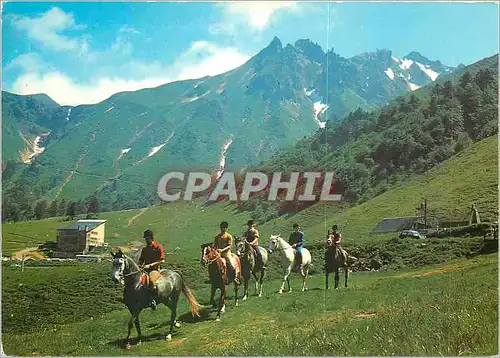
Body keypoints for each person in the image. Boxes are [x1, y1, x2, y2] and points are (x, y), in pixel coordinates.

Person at [138, 229, 165, 310]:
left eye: (147, 238)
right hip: (145, 269)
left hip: (155, 269)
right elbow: (141, 260)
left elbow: (162, 260)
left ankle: (153, 300)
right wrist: (138, 265)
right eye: (145, 239)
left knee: (151, 281)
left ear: (152, 238)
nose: (146, 240)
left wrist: (150, 265)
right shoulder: (145, 249)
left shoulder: (158, 247)